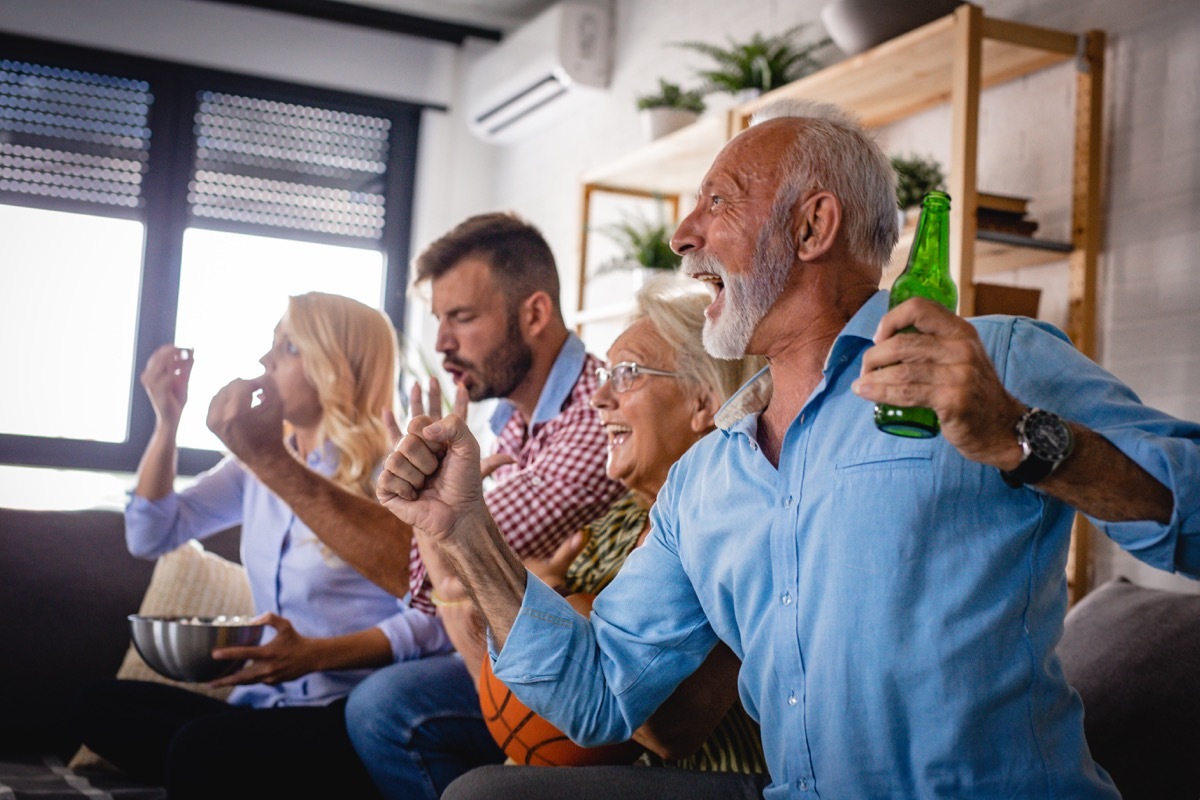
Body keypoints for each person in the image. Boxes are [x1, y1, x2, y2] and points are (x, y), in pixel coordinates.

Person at [378, 98, 1200, 800]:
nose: (681, 235)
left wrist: (1022, 437)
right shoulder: (706, 477)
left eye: (719, 204)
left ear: (813, 225)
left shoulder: (997, 360)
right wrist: (464, 531)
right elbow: (595, 694)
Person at [74, 292, 449, 799]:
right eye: (272, 344)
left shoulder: (394, 474)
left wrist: (318, 655)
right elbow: (150, 534)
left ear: (335, 367)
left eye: (288, 348)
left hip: (343, 711)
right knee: (98, 706)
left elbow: (437, 616)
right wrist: (167, 421)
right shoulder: (255, 468)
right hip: (260, 703)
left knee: (198, 749)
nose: (265, 361)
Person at [425, 274, 769, 795]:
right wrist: (505, 595)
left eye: (626, 374)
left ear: (704, 402)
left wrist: (552, 609)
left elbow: (666, 730)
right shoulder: (612, 525)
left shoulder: (731, 528)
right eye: (605, 373)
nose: (598, 398)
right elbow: (510, 694)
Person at [335, 211, 626, 799]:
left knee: (384, 706)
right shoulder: (513, 422)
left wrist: (440, 533)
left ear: (534, 314)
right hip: (510, 645)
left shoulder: (593, 421)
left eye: (462, 318)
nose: (441, 342)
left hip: (587, 679)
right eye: (440, 319)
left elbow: (439, 570)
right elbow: (451, 580)